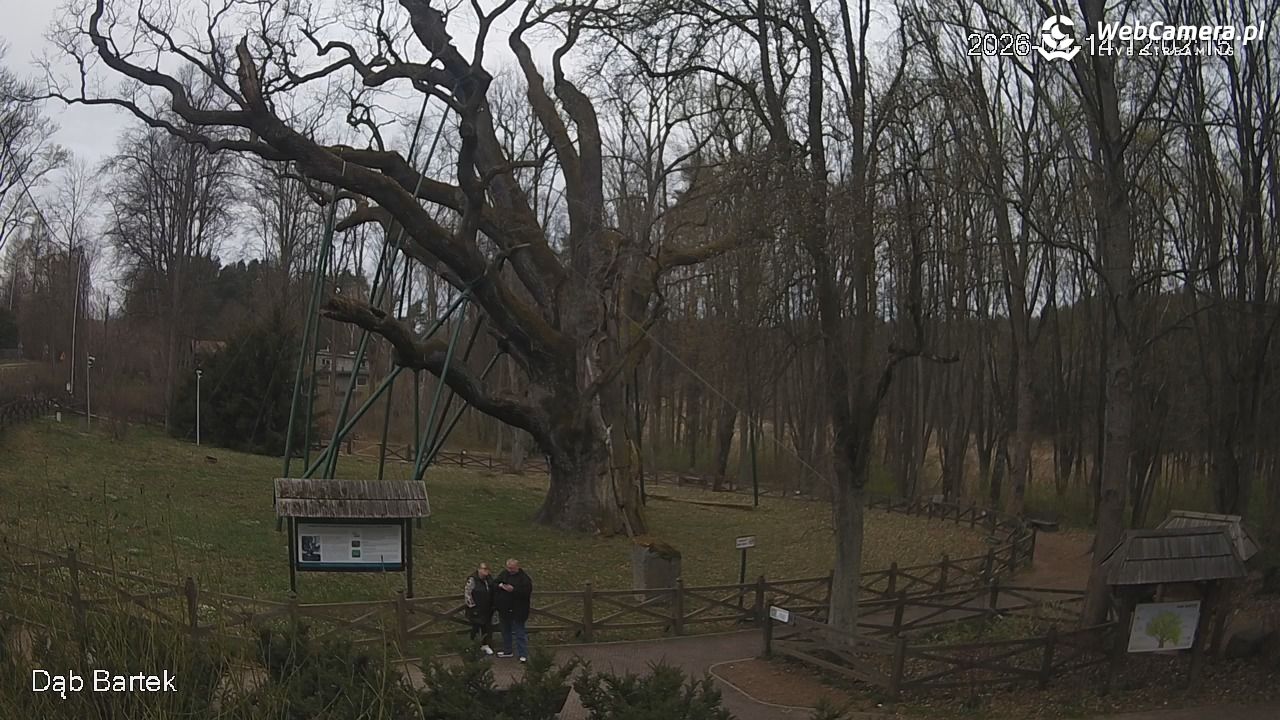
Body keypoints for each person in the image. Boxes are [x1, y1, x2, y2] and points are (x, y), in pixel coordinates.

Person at [493, 558, 532, 661]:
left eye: (512, 568)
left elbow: (526, 592)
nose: (510, 570)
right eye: (508, 568)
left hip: (518, 610)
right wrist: (501, 586)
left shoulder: (524, 579)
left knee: (519, 633)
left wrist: (514, 590)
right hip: (504, 609)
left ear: (517, 567)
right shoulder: (504, 574)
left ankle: (523, 654)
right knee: (505, 631)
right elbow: (494, 583)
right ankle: (507, 650)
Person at [463, 562, 495, 655]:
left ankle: (485, 645)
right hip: (476, 608)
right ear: (479, 569)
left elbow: (493, 590)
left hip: (487, 608)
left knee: (486, 627)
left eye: (487, 569)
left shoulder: (489, 579)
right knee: (475, 627)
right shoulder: (472, 579)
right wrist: (472, 606)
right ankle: (472, 645)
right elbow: (467, 593)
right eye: (484, 569)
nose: (486, 571)